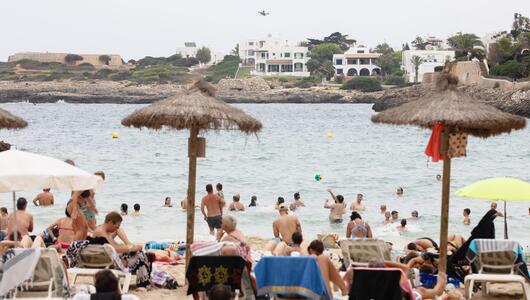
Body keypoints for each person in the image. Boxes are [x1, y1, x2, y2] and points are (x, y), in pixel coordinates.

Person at [87, 212, 151, 288]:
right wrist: (131, 248)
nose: (116, 229)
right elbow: (114, 249)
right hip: (108, 262)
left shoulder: (103, 231)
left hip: (108, 258)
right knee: (139, 255)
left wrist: (130, 248)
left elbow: (112, 247)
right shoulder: (101, 232)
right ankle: (143, 284)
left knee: (140, 254)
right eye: (116, 226)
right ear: (110, 222)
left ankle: (144, 282)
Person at [72, 269, 140, 300]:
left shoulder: (81, 297)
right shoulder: (130, 298)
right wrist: (120, 293)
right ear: (116, 287)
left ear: (96, 287)